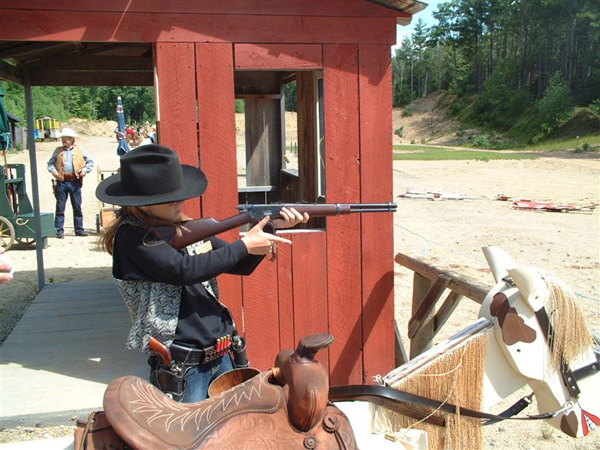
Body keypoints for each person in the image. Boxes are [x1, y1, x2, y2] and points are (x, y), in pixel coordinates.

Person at [96, 144, 308, 403]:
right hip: (184, 365)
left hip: (224, 352)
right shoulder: (132, 237)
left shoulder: (181, 229)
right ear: (144, 204)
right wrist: (244, 245)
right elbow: (183, 271)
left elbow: (239, 264)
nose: (181, 201)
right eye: (170, 197)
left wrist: (270, 229)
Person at [47, 128, 94, 238]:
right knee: (60, 206)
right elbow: (50, 164)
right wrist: (54, 172)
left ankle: (79, 229)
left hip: (75, 181)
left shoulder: (80, 150)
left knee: (77, 206)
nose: (64, 140)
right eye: (63, 138)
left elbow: (90, 162)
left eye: (67, 138)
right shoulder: (58, 151)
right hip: (62, 181)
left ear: (72, 139)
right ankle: (59, 231)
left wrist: (85, 170)